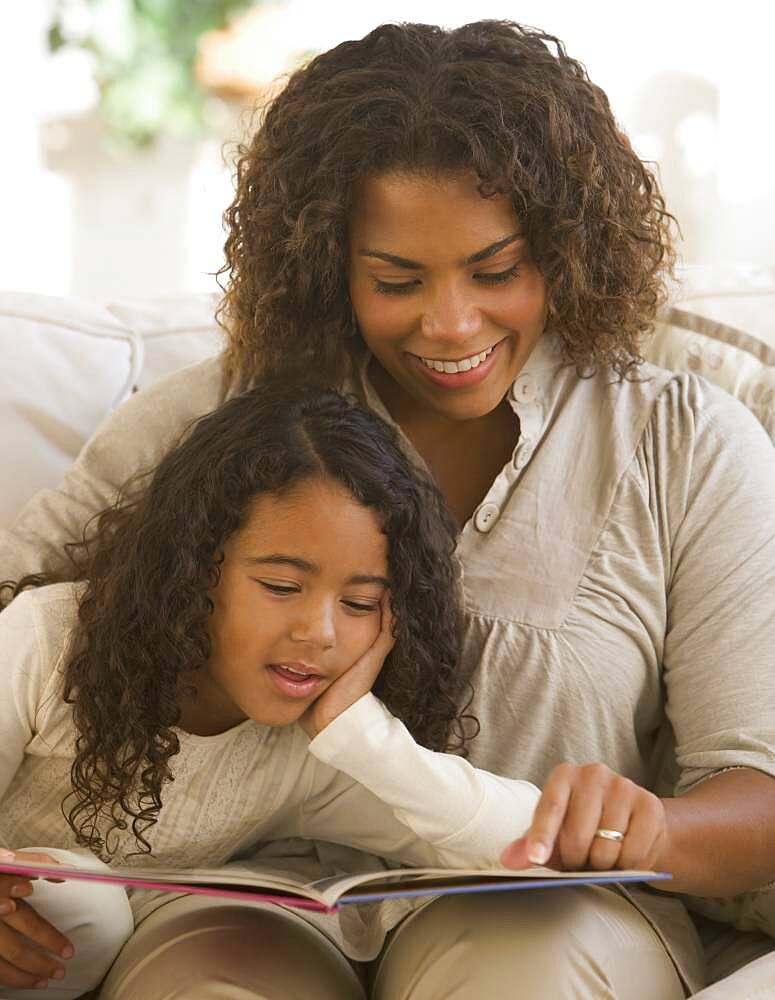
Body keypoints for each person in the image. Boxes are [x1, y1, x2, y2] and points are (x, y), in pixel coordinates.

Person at [2, 17, 774, 999]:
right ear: (329, 263)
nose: (451, 325)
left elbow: (757, 796)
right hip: (232, 901)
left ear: (569, 244)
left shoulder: (684, 442)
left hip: (541, 906)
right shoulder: (221, 417)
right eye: (396, 280)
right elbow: (23, 623)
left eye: (496, 271)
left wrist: (651, 827)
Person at [0, 381, 547, 998]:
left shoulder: (315, 744)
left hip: (127, 967)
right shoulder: (48, 641)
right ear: (194, 565)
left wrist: (369, 742)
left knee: (89, 914)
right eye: (282, 587)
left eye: (361, 602)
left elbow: (532, 848)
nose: (318, 633)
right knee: (72, 898)